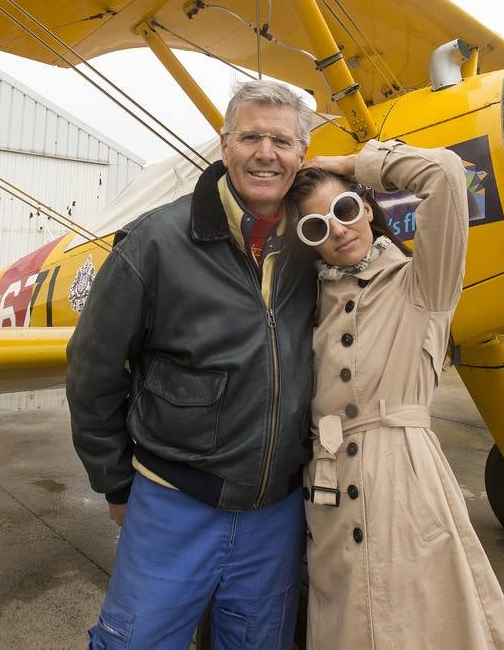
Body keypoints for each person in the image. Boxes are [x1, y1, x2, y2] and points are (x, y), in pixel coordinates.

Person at [66, 80, 318, 649]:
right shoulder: (155, 241)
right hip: (173, 502)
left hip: (275, 510)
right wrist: (114, 483)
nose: (265, 153)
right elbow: (92, 369)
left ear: (303, 155)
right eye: (250, 136)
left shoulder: (316, 244)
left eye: (282, 140)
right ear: (225, 146)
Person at [290, 139, 504, 649]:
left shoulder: (422, 282)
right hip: (328, 493)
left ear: (368, 208)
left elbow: (445, 174)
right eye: (317, 226)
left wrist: (353, 164)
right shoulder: (309, 304)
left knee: (425, 623)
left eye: (345, 208)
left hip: (404, 481)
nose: (338, 229)